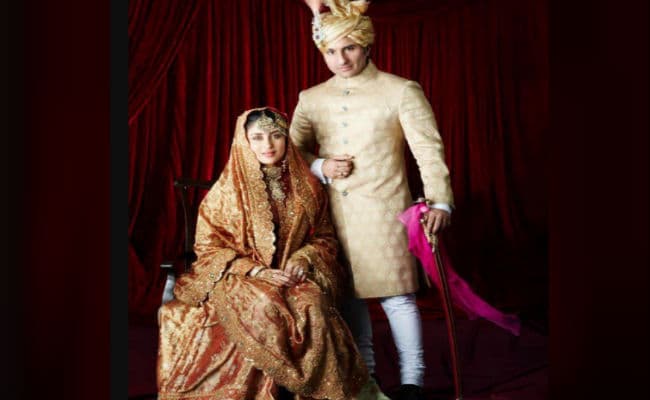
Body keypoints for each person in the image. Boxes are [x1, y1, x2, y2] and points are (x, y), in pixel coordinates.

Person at [157, 108, 390, 400]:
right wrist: (254, 270)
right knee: (265, 304)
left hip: (291, 275)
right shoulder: (227, 191)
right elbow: (208, 246)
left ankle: (315, 392)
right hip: (241, 276)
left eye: (276, 135)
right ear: (245, 141)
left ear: (286, 139)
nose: (267, 145)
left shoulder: (307, 187)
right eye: (257, 137)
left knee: (312, 303)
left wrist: (303, 258)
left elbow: (325, 237)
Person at [290, 1, 455, 399]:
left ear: (366, 45)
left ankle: (412, 382)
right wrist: (321, 166)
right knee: (349, 299)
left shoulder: (400, 90)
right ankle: (367, 378)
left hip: (386, 212)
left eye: (349, 48)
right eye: (331, 51)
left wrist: (440, 201)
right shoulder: (311, 98)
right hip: (332, 216)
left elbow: (428, 150)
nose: (341, 59)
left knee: (397, 298)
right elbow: (289, 153)